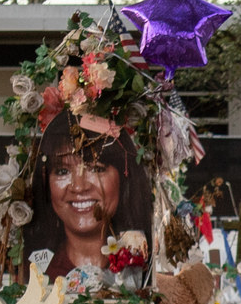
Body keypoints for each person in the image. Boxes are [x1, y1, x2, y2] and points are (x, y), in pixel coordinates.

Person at [23, 111, 152, 277]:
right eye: (62, 171)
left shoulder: (145, 267)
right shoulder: (36, 272)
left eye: (96, 169)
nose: (79, 187)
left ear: (124, 178)